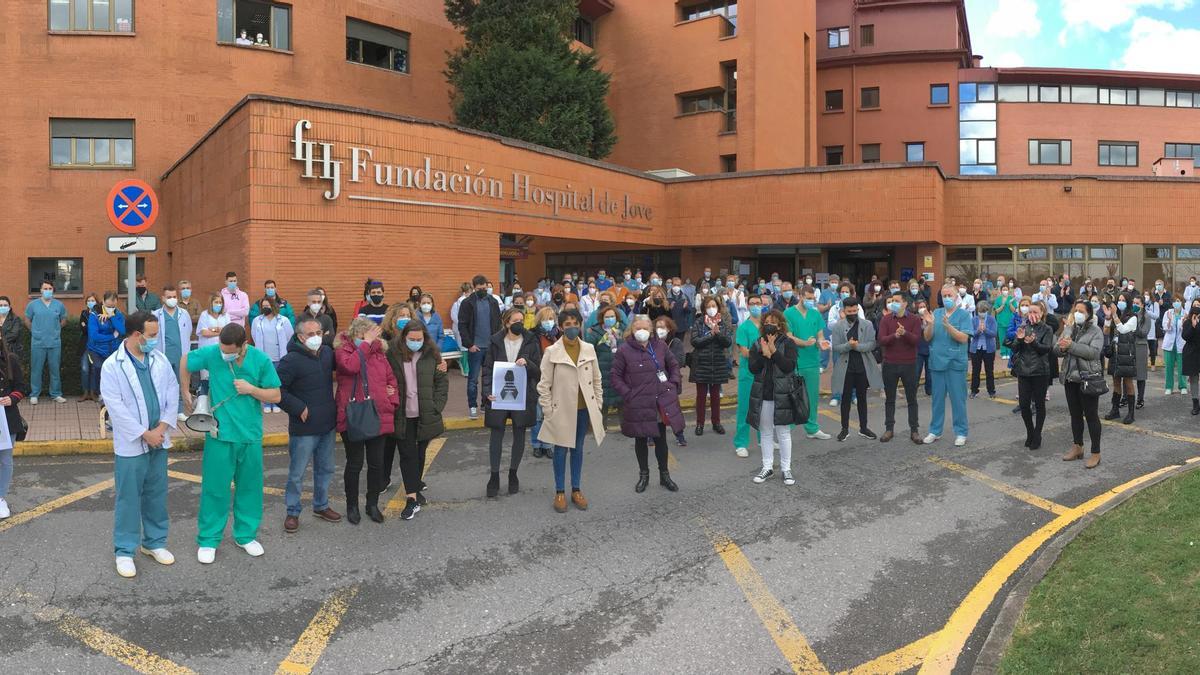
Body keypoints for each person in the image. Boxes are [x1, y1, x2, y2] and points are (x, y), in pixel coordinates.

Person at [180, 323, 280, 564]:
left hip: (250, 435)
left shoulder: (260, 360)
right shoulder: (213, 353)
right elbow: (185, 360)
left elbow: (275, 395)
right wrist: (185, 392)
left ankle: (245, 536)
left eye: (230, 351)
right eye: (222, 349)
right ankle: (208, 539)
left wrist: (251, 389)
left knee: (250, 488)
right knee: (215, 489)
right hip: (219, 434)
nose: (224, 354)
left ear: (243, 345)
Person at [99, 311, 178, 578]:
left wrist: (163, 428)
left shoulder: (160, 359)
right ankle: (124, 550)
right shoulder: (113, 366)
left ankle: (154, 543)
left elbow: (172, 392)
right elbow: (116, 409)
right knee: (128, 497)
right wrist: (145, 433)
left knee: (156, 494)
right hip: (133, 444)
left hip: (160, 438)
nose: (155, 340)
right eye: (152, 335)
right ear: (136, 335)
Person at [536, 309, 606, 514]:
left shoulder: (589, 349)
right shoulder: (552, 352)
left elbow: (597, 379)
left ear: (580, 324)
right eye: (567, 324)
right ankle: (559, 491)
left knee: (578, 449)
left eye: (575, 323)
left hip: (584, 409)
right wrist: (549, 411)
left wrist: (598, 404)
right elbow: (543, 385)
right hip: (561, 410)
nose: (572, 327)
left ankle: (576, 489)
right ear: (561, 327)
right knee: (560, 450)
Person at [275, 317, 341, 534]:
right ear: (300, 337)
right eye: (311, 334)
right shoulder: (290, 361)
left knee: (326, 468)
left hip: (327, 424)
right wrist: (298, 408)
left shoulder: (327, 354)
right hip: (303, 428)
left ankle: (321, 506)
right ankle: (292, 511)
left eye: (319, 333)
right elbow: (278, 391)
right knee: (297, 473)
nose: (316, 338)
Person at [333, 318, 399, 524]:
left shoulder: (380, 354)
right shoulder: (344, 351)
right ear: (356, 335)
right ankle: (352, 505)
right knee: (354, 463)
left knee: (376, 464)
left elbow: (391, 380)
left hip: (378, 414)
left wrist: (391, 397)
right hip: (354, 415)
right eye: (364, 335)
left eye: (371, 335)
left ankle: (372, 504)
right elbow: (351, 367)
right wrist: (366, 344)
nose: (370, 339)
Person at [612, 315, 683, 493]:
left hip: (658, 400)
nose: (641, 332)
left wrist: (673, 384)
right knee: (641, 440)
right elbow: (615, 376)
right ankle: (644, 475)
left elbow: (673, 365)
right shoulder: (624, 350)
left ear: (651, 330)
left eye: (645, 328)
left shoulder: (660, 346)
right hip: (638, 403)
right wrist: (628, 394)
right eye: (637, 328)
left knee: (661, 440)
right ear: (632, 330)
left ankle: (664, 475)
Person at [385, 321, 448, 520]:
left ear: (424, 338)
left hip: (425, 413)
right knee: (407, 455)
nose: (415, 343)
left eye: (419, 339)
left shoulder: (432, 354)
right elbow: (385, 377)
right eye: (411, 340)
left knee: (420, 454)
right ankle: (411, 499)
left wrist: (436, 406)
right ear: (404, 338)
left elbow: (441, 382)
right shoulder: (392, 354)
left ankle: (415, 486)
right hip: (402, 414)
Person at [481, 309, 541, 498]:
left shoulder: (531, 340)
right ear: (507, 323)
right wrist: (487, 392)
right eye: (516, 321)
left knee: (519, 433)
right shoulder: (495, 341)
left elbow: (539, 370)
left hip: (522, 395)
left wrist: (528, 364)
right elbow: (487, 368)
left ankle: (513, 473)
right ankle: (494, 476)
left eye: (522, 321)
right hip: (498, 395)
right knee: (496, 434)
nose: (520, 324)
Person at [747, 310, 799, 485]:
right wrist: (763, 354)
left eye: (774, 323)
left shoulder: (788, 343)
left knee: (783, 433)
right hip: (763, 394)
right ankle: (767, 467)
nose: (770, 325)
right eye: (767, 322)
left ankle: (786, 469)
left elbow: (789, 367)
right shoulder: (756, 343)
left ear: (780, 326)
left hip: (782, 394)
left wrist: (774, 353)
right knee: (766, 433)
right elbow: (753, 369)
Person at [923, 284, 974, 446]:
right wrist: (930, 324)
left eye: (949, 295)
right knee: (937, 400)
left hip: (955, 364)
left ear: (956, 296)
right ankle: (935, 430)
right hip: (937, 363)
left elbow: (963, 338)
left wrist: (948, 326)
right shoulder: (936, 313)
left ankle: (961, 432)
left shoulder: (964, 315)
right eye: (944, 296)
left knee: (958, 400)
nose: (946, 299)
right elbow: (927, 337)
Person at [1057, 301, 1104, 468]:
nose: (1077, 313)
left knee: (1091, 416)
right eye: (1075, 310)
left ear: (1089, 314)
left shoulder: (1096, 331)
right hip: (1071, 378)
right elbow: (1056, 349)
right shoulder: (1071, 329)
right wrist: (1063, 344)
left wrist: (1071, 346)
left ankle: (1096, 453)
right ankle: (1078, 447)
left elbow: (1093, 353)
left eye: (1081, 311)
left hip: (1087, 379)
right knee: (1075, 415)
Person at [783, 286, 832, 445]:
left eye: (813, 299)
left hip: (812, 361)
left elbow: (820, 334)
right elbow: (788, 336)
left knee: (812, 397)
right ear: (800, 296)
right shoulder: (788, 313)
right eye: (808, 298)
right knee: (792, 397)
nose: (811, 301)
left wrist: (822, 343)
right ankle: (786, 430)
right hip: (794, 361)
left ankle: (812, 428)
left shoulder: (815, 313)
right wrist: (804, 343)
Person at [830, 298, 881, 441]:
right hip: (846, 368)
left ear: (858, 310)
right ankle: (844, 429)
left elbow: (872, 344)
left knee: (862, 398)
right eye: (849, 311)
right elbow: (836, 347)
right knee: (845, 398)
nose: (852, 313)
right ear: (843, 311)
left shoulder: (867, 324)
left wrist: (856, 347)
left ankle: (864, 428)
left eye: (854, 311)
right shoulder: (838, 327)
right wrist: (848, 345)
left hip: (862, 367)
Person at [1006, 302, 1054, 450]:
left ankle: (1037, 434)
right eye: (1030, 312)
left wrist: (1033, 343)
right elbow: (1014, 348)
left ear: (1042, 313)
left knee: (1039, 405)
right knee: (1024, 404)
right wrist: (1019, 339)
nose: (1032, 315)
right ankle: (1030, 431)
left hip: (1040, 371)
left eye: (1035, 312)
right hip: (1024, 371)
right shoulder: (1023, 327)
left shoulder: (1047, 329)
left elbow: (1045, 349)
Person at [878, 290, 923, 444]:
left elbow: (917, 340)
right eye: (891, 301)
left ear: (905, 303)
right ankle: (889, 429)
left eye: (896, 301)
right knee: (890, 399)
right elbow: (882, 340)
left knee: (912, 398)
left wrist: (905, 334)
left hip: (909, 363)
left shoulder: (915, 320)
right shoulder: (886, 319)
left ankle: (914, 430)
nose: (893, 304)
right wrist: (894, 336)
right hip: (890, 363)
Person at [689, 296, 734, 436]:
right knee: (701, 396)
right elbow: (695, 341)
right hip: (701, 363)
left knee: (715, 396)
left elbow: (727, 342)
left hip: (718, 363)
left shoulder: (723, 323)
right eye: (709, 306)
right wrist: (710, 336)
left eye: (714, 306)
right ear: (704, 308)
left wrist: (718, 333)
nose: (711, 309)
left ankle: (716, 422)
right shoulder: (699, 322)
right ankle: (700, 424)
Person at [459, 275, 502, 420]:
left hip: (491, 347)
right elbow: (462, 325)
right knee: (473, 379)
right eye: (480, 289)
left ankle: (486, 404)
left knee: (489, 378)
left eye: (485, 288)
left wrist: (497, 343)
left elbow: (498, 324)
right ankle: (472, 406)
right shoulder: (467, 303)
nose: (483, 290)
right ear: (474, 288)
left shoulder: (493, 302)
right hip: (475, 348)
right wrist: (469, 344)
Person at [23, 280, 69, 405]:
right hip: (38, 342)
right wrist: (34, 331)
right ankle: (34, 394)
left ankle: (56, 394)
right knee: (36, 369)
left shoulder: (59, 305)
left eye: (50, 288)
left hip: (54, 342)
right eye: (45, 288)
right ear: (41, 290)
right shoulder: (33, 305)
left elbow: (64, 319)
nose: (48, 291)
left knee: (55, 370)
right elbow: (27, 319)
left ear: (53, 290)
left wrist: (57, 329)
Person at [152, 286, 193, 422]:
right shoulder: (156, 315)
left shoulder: (184, 314)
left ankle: (179, 410)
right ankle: (163, 412)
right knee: (163, 384)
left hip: (180, 355)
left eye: (174, 297)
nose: (172, 299)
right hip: (163, 355)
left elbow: (188, 332)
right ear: (163, 298)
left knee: (180, 383)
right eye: (169, 297)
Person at [0, 335, 28, 520]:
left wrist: (12, 398)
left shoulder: (10, 359)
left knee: (5, 459)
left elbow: (22, 387)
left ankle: (0, 497)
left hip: (6, 417)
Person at [250, 296, 294, 413]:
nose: (265, 308)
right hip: (264, 356)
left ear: (273, 306)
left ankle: (276, 402)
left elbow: (290, 335)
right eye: (263, 306)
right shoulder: (257, 321)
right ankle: (266, 403)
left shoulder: (283, 320)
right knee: (266, 380)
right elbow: (254, 335)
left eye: (267, 306)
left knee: (277, 380)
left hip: (279, 356)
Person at [1102, 293, 1140, 425]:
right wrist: (1108, 317)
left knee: (1128, 382)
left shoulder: (1133, 317)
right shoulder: (1114, 315)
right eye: (1119, 300)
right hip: (1115, 352)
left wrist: (1114, 315)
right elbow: (1106, 331)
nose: (1121, 302)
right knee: (1116, 381)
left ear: (1128, 302)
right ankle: (1115, 409)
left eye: (1124, 300)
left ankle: (1131, 413)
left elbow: (1123, 330)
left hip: (1127, 352)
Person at [586, 304, 624, 428]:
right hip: (602, 370)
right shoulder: (595, 332)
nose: (610, 319)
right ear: (602, 318)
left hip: (620, 370)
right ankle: (601, 427)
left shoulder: (623, 331)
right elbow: (589, 351)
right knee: (603, 401)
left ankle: (626, 426)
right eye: (607, 317)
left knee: (622, 401)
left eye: (612, 316)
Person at [529, 308, 561, 458]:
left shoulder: (558, 335)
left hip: (555, 379)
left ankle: (548, 445)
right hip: (538, 377)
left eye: (551, 318)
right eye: (545, 318)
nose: (548, 322)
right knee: (537, 415)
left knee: (549, 414)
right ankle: (536, 444)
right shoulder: (532, 335)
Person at [86, 292, 126, 403]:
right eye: (108, 306)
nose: (111, 308)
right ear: (103, 302)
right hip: (96, 350)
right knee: (99, 368)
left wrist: (112, 317)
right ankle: (99, 392)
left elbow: (122, 331)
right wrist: (112, 336)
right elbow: (94, 336)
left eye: (113, 306)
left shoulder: (118, 314)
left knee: (115, 371)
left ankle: (113, 393)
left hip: (113, 350)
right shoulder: (94, 315)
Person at [969, 301, 998, 398]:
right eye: (980, 311)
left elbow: (994, 333)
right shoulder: (973, 320)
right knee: (975, 370)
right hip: (976, 349)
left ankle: (991, 391)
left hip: (988, 349)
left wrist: (985, 330)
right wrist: (977, 331)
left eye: (983, 311)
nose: (981, 313)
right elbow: (970, 333)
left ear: (986, 311)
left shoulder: (991, 319)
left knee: (989, 370)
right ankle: (974, 390)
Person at [1162, 298, 1187, 396]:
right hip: (1169, 345)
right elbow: (1166, 328)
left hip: (1181, 344)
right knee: (1169, 367)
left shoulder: (1186, 313)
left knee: (1182, 367)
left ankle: (1183, 386)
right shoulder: (1168, 313)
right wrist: (1169, 320)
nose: (1177, 303)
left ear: (1181, 302)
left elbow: (1185, 329)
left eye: (1179, 301)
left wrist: (1184, 321)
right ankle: (1169, 387)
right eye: (1175, 301)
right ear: (1172, 303)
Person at [1135, 292, 1156, 408]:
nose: (1135, 305)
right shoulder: (1132, 315)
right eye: (1133, 303)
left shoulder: (1147, 317)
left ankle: (1140, 399)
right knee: (1127, 374)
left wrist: (1134, 326)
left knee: (1141, 375)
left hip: (1141, 346)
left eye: (1137, 303)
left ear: (1142, 305)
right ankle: (1126, 398)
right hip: (1131, 346)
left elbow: (1143, 333)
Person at [75, 294, 97, 401]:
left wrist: (87, 326)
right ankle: (85, 392)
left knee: (94, 369)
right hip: (84, 346)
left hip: (96, 346)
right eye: (89, 300)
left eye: (93, 300)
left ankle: (93, 393)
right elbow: (82, 329)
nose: (91, 302)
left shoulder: (100, 314)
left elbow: (97, 330)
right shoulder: (83, 313)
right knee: (84, 369)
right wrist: (90, 327)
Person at [449, 282, 472, 378]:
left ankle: (468, 368)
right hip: (461, 329)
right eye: (470, 291)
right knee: (464, 348)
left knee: (467, 348)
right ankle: (465, 368)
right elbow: (454, 317)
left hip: (467, 329)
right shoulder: (458, 303)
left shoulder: (470, 301)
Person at [1182, 298, 1200, 415]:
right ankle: (1195, 404)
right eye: (1194, 305)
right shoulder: (1187, 322)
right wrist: (1193, 326)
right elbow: (1185, 336)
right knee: (1193, 379)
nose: (1196, 307)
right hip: (1192, 353)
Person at [994, 284, 1018, 361]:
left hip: (1010, 321)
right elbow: (996, 311)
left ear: (1008, 291)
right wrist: (1003, 305)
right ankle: (1003, 353)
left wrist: (1010, 303)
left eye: (1006, 289)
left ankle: (1009, 352)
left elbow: (1014, 310)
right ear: (1001, 291)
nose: (1005, 291)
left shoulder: (1012, 299)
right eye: (1003, 289)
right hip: (1001, 322)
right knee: (1002, 338)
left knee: (1010, 338)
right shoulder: (998, 299)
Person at [915, 299, 933, 396]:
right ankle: (913, 390)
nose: (922, 309)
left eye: (924, 307)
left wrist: (929, 322)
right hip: (918, 349)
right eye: (920, 307)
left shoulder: (931, 317)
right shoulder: (916, 319)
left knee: (930, 372)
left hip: (930, 348)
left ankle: (929, 390)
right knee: (917, 371)